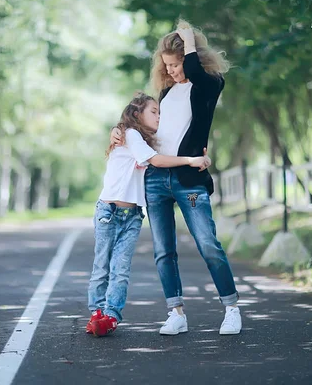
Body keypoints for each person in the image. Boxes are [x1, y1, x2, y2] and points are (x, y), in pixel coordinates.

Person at [110, 20, 241, 335]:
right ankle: (176, 313)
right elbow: (141, 122)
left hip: (191, 186)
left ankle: (232, 308)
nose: (170, 70)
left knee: (207, 241)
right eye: (166, 65)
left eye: (176, 64)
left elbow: (195, 71)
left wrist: (188, 39)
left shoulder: (209, 83)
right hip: (156, 182)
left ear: (192, 58)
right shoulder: (166, 92)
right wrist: (119, 130)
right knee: (163, 250)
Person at [87, 92, 211, 337]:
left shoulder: (142, 140)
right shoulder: (130, 135)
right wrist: (191, 159)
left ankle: (111, 316)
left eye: (160, 112)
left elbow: (160, 152)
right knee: (102, 266)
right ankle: (96, 313)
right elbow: (157, 161)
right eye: (154, 111)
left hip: (132, 216)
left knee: (121, 269)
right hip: (109, 212)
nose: (158, 117)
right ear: (137, 114)